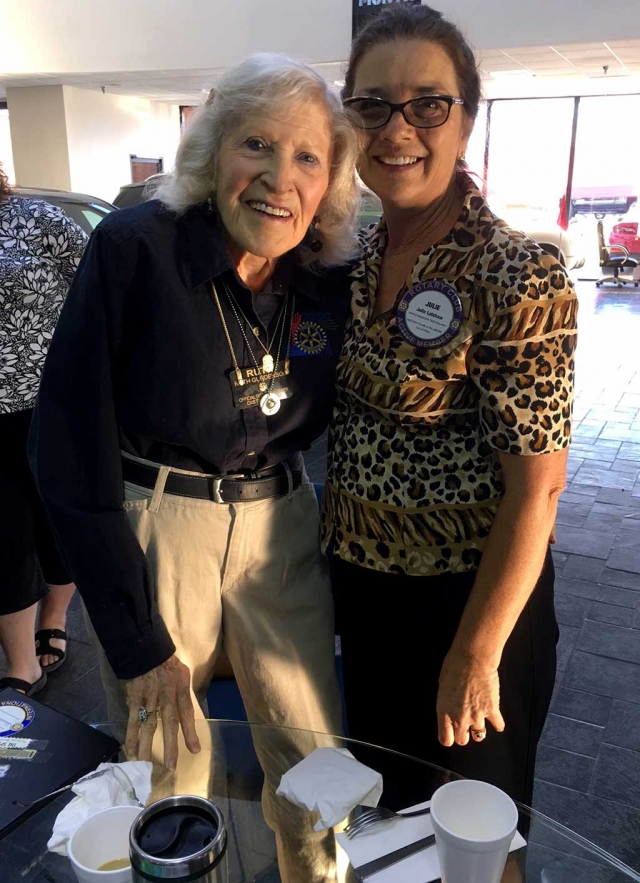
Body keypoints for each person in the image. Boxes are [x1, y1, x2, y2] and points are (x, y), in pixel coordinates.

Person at [30, 55, 358, 882]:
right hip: (160, 523)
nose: (280, 178)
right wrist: (134, 635)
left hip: (282, 523)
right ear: (213, 150)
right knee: (165, 758)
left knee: (314, 752)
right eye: (257, 144)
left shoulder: (324, 273)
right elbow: (67, 447)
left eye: (308, 157)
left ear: (329, 179)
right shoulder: (136, 249)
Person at [322, 5, 578, 809]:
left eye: (428, 103)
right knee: (386, 815)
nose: (399, 128)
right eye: (372, 104)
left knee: (473, 834)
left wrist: (474, 653)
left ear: (465, 119)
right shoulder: (355, 256)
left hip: (471, 603)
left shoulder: (517, 271)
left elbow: (539, 487)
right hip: (367, 599)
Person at [0, 164, 86, 696]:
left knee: (56, 523)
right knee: (4, 533)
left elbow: (100, 293)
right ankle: (19, 662)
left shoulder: (38, 219)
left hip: (49, 407)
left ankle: (53, 615)